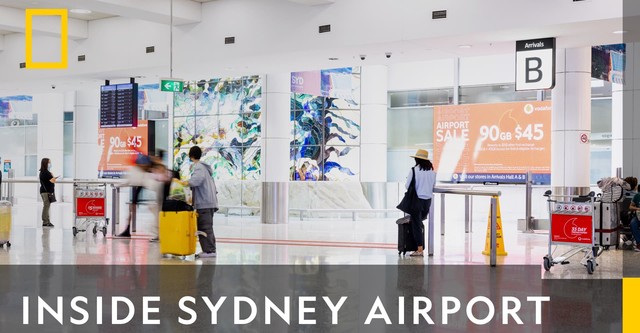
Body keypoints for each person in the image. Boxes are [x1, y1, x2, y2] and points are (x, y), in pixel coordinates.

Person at [182, 146, 219, 258]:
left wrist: (183, 183)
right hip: (209, 201)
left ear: (191, 155)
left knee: (204, 227)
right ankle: (209, 250)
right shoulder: (204, 168)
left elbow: (195, 181)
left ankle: (209, 251)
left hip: (204, 202)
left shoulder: (198, 167)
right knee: (207, 226)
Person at [405, 149, 436, 256]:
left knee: (416, 224)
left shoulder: (414, 170)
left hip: (416, 201)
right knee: (418, 222)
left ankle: (419, 250)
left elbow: (407, 186)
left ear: (417, 159)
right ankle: (419, 246)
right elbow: (433, 186)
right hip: (427, 201)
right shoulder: (432, 173)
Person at [38, 158, 58, 228]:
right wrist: (53, 176)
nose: (50, 164)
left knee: (47, 206)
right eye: (49, 162)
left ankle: (47, 221)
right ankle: (45, 222)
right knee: (46, 207)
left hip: (44, 191)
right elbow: (52, 181)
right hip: (45, 192)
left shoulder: (43, 172)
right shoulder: (46, 172)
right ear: (45, 163)